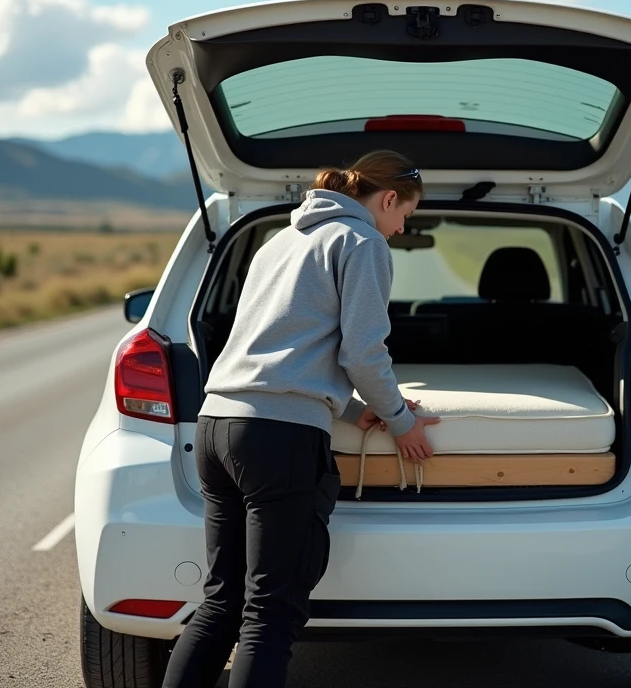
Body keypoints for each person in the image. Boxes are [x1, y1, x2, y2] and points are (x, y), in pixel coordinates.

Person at [161, 149, 440, 688]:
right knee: (270, 613)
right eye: (407, 213)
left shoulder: (279, 242)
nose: (404, 226)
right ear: (387, 198)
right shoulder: (362, 243)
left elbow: (281, 342)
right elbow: (363, 353)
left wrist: (355, 410)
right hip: (277, 439)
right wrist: (402, 422)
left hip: (218, 425)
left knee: (222, 602)